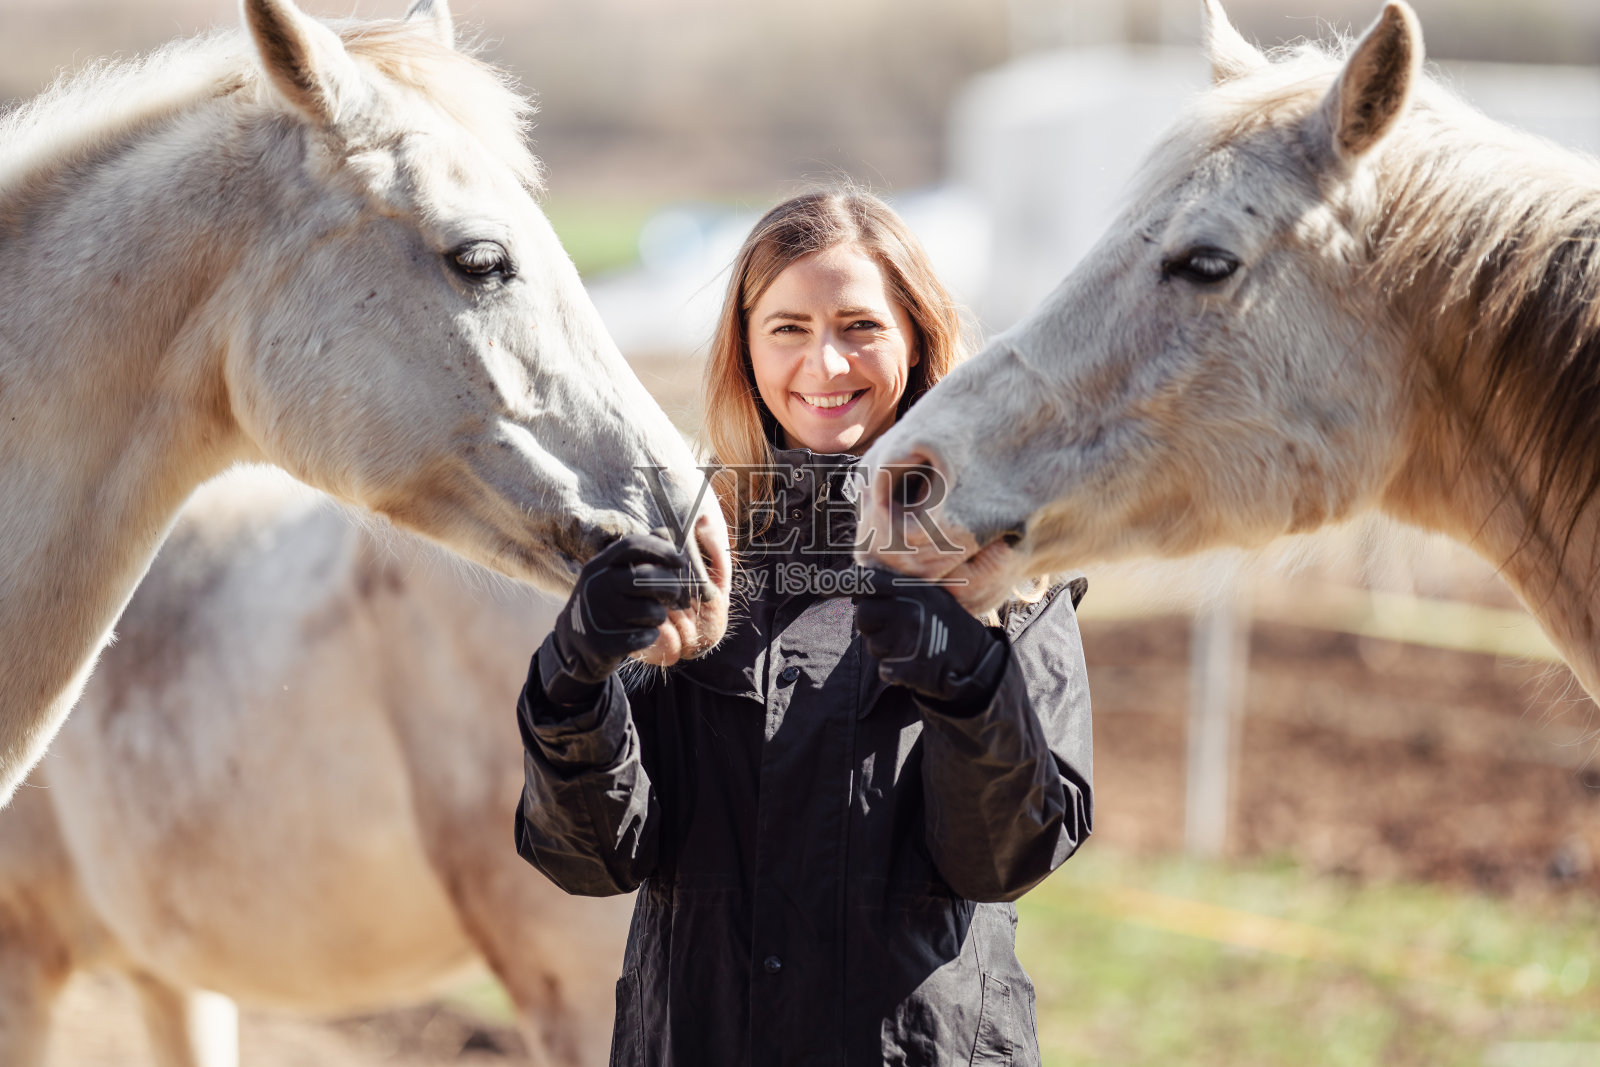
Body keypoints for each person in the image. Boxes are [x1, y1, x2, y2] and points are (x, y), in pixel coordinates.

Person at [514, 189, 1092, 1066]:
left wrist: (970, 682)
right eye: (788, 328)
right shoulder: (690, 559)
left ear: (917, 337)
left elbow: (1002, 860)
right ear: (744, 349)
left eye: (860, 324)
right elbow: (596, 861)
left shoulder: (1001, 566)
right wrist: (571, 685)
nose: (825, 363)